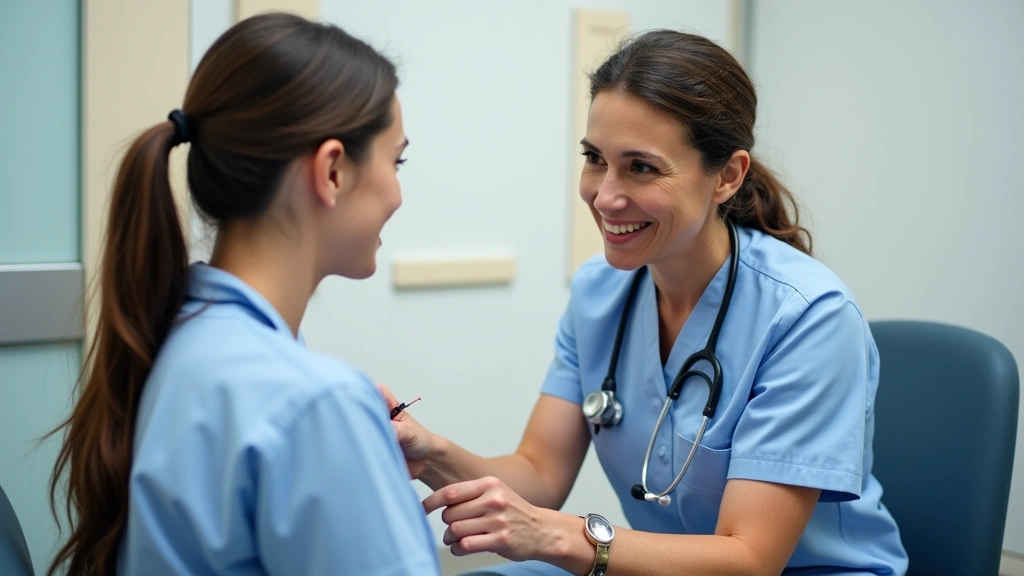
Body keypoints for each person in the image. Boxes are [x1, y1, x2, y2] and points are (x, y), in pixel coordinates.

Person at [381, 30, 908, 575]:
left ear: (727, 176)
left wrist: (561, 537)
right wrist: (427, 451)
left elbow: (750, 559)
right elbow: (539, 477)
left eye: (642, 167)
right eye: (595, 159)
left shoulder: (808, 319)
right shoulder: (598, 294)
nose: (605, 196)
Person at [46, 13, 439, 576]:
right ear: (331, 171)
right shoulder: (317, 404)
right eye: (394, 161)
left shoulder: (172, 335)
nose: (398, 194)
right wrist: (349, 451)